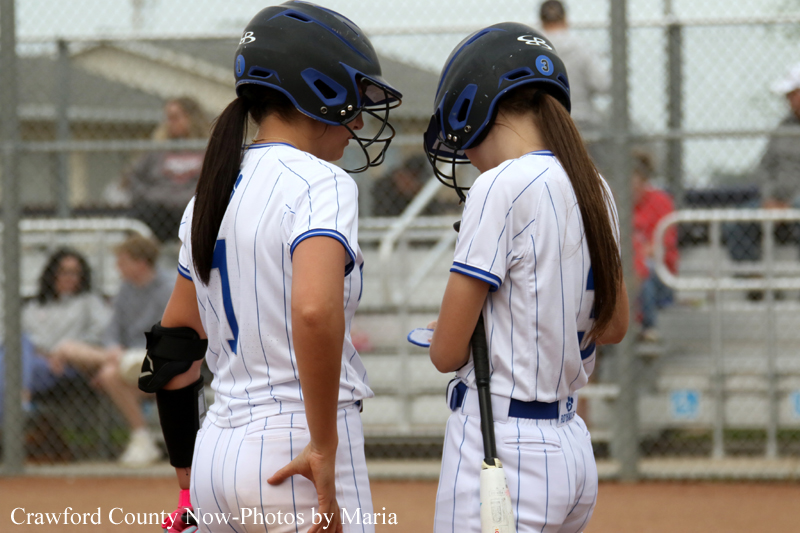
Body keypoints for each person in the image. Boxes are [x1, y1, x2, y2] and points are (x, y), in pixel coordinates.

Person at [141, 3, 401, 532]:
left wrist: (189, 481)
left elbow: (173, 343)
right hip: (297, 445)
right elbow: (312, 310)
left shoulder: (209, 191)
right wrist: (324, 444)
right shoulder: (320, 182)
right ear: (317, 90)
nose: (356, 121)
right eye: (351, 99)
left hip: (216, 445)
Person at [423, 23, 628, 532]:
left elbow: (445, 354)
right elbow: (615, 325)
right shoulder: (594, 184)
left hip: (503, 446)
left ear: (476, 109)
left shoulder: (500, 184)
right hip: (571, 448)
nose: (465, 153)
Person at [48, 234, 173, 466]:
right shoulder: (126, 289)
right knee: (108, 373)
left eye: (123, 261)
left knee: (104, 369)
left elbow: (171, 336)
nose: (118, 267)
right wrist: (114, 348)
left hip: (161, 361)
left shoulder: (169, 288)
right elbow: (112, 330)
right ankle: (142, 438)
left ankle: (142, 437)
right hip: (127, 359)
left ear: (140, 263)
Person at [539, 0, 610, 171]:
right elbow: (602, 84)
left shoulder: (537, 46)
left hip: (545, 122)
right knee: (585, 176)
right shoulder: (580, 45)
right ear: (565, 19)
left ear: (541, 21)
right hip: (581, 122)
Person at [126, 97, 209, 242]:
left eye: (175, 117)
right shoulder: (158, 149)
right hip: (159, 210)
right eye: (168, 118)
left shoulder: (207, 148)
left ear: (192, 118)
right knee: (138, 214)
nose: (170, 123)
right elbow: (134, 178)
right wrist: (150, 195)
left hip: (192, 209)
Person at [632, 150, 678, 341]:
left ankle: (648, 328)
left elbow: (661, 245)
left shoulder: (660, 200)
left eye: (633, 180)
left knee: (645, 269)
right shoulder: (615, 201)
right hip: (631, 270)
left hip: (660, 276)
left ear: (643, 180)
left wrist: (636, 255)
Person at [371, 154, 450, 216]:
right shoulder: (383, 189)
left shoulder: (424, 199)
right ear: (401, 175)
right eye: (414, 179)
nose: (418, 186)